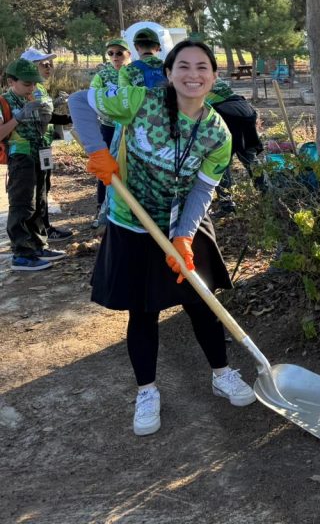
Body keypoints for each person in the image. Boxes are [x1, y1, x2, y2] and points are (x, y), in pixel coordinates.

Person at [69, 39, 256, 437]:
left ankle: (222, 374)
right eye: (183, 66)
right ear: (169, 73)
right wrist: (96, 149)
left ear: (213, 76)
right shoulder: (139, 101)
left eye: (202, 67)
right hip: (132, 223)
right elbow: (78, 102)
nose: (193, 74)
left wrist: (185, 237)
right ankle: (147, 391)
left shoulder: (216, 133)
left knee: (201, 300)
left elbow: (204, 191)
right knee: (144, 310)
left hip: (181, 220)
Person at [1, 58, 66, 270]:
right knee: (22, 204)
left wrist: (50, 117)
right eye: (27, 84)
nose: (32, 87)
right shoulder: (4, 102)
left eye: (34, 83)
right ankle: (21, 253)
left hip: (40, 154)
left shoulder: (33, 97)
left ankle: (38, 245)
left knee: (40, 200)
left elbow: (42, 125)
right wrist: (19, 117)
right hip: (20, 157)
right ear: (11, 82)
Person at [19, 47, 74, 243]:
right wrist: (70, 117)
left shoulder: (39, 87)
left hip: (44, 146)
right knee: (38, 190)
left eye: (50, 63)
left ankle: (45, 227)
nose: (49, 67)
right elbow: (46, 117)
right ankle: (40, 231)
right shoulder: (30, 88)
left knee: (45, 187)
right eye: (43, 64)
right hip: (33, 149)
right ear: (30, 66)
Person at [205, 77, 266, 213]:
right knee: (249, 157)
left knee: (220, 160)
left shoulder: (190, 82)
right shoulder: (211, 75)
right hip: (246, 110)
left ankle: (227, 204)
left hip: (226, 113)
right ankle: (266, 193)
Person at [89, 38, 131, 227]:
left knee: (130, 168)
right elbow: (92, 98)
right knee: (107, 166)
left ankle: (129, 210)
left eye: (119, 52)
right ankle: (102, 210)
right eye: (111, 53)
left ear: (128, 54)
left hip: (129, 128)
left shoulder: (133, 72)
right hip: (108, 127)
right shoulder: (102, 75)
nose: (115, 57)